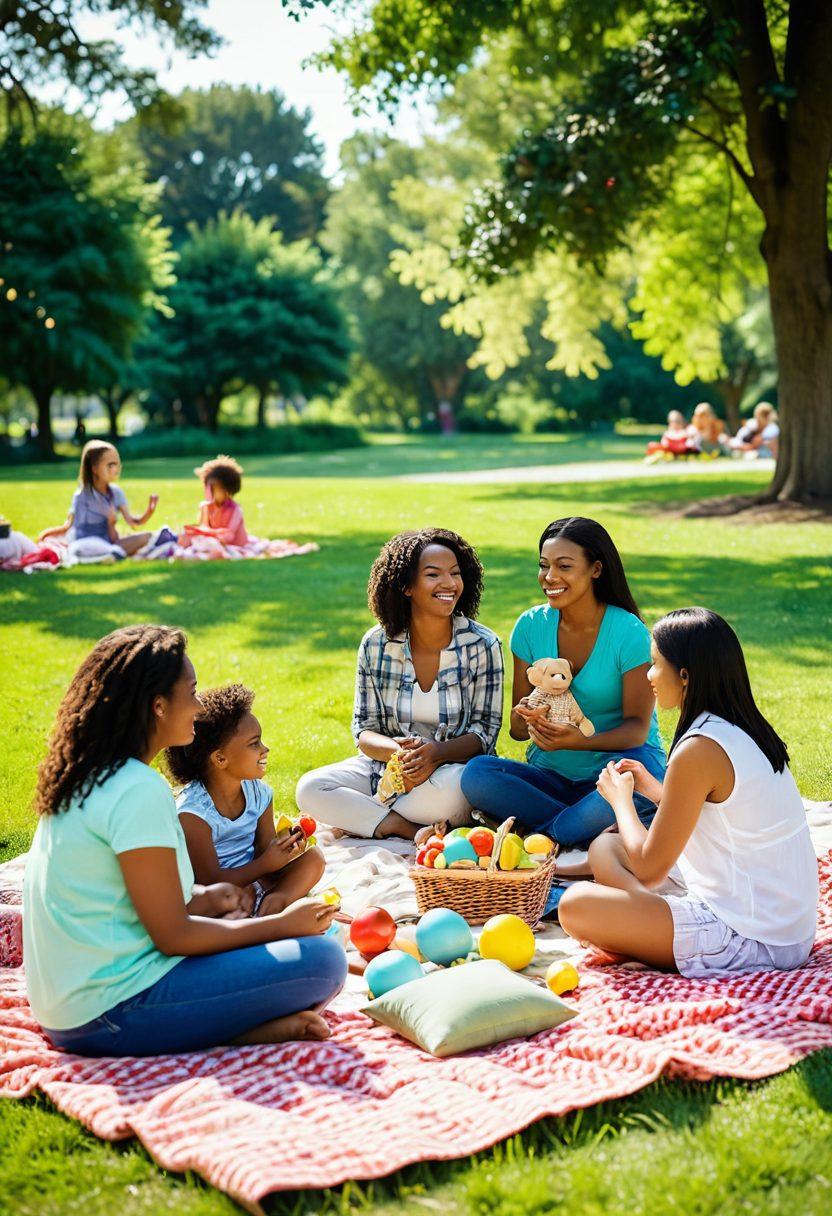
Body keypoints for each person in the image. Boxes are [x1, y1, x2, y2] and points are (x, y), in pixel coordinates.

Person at [22, 625, 347, 1057]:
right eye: (191, 692)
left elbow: (129, 899)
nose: (198, 705)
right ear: (158, 706)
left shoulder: (86, 775)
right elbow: (172, 935)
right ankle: (235, 1030)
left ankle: (239, 1029)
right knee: (324, 961)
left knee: (281, 947)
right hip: (109, 1015)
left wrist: (205, 898)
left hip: (70, 1008)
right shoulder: (138, 789)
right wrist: (279, 925)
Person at [557, 608, 818, 977]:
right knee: (605, 848)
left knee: (575, 905)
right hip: (775, 916)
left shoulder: (700, 747)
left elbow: (648, 869)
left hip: (754, 937)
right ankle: (646, 925)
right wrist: (653, 790)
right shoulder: (740, 728)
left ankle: (644, 928)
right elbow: (722, 816)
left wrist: (621, 802)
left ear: (684, 675)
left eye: (654, 663)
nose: (648, 675)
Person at [460, 517, 666, 849]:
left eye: (564, 566)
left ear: (596, 569)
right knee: (477, 774)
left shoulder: (627, 632)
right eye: (544, 566)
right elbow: (515, 730)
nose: (549, 577)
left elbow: (638, 729)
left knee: (631, 787)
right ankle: (583, 828)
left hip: (619, 775)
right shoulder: (530, 626)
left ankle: (549, 834)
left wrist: (576, 740)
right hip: (552, 778)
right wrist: (528, 716)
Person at [296, 528, 504, 840]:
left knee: (451, 796)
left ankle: (370, 814)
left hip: (452, 771)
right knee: (310, 789)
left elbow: (484, 733)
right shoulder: (376, 644)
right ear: (406, 585)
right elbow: (364, 730)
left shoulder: (482, 644)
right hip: (387, 768)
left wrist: (434, 754)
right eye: (434, 574)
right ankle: (405, 827)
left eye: (455, 573)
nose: (449, 584)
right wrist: (398, 754)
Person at [168, 684, 325, 916]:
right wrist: (265, 865)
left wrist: (285, 847)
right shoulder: (193, 813)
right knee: (226, 901)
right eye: (254, 743)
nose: (265, 748)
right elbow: (209, 881)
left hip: (256, 882)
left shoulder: (259, 794)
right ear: (220, 758)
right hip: (216, 896)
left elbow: (265, 851)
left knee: (315, 859)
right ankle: (263, 914)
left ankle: (275, 903)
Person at [38, 440, 158, 556]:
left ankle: (112, 552)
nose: (116, 469)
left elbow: (132, 521)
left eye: (117, 464)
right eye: (110, 465)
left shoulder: (116, 492)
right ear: (94, 469)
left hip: (109, 543)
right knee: (99, 548)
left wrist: (149, 512)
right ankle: (110, 553)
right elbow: (69, 526)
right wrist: (45, 535)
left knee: (149, 536)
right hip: (86, 545)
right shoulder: (81, 495)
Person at [179, 455, 248, 551]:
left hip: (233, 545)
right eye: (208, 487)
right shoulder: (205, 507)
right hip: (213, 540)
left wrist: (211, 535)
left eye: (214, 489)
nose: (210, 492)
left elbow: (229, 536)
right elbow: (204, 527)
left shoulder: (235, 509)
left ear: (227, 490)